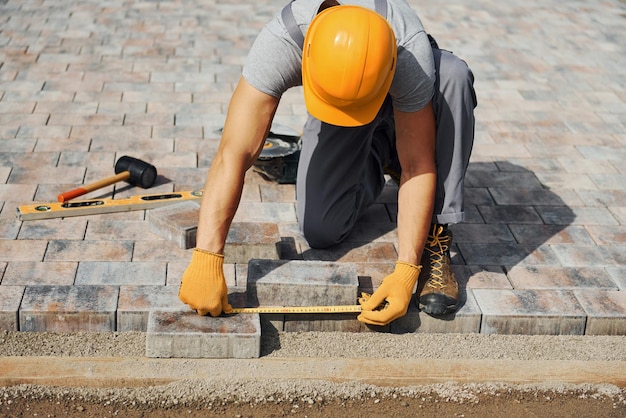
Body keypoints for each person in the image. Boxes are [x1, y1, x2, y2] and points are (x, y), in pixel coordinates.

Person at [178, 0, 477, 326]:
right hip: (346, 94)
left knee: (451, 75)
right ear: (306, 57)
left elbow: (418, 164)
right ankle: (380, 151)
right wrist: (207, 256)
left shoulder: (407, 50)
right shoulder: (283, 40)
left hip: (398, 86)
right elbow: (233, 153)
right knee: (321, 229)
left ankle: (435, 227)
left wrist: (406, 271)